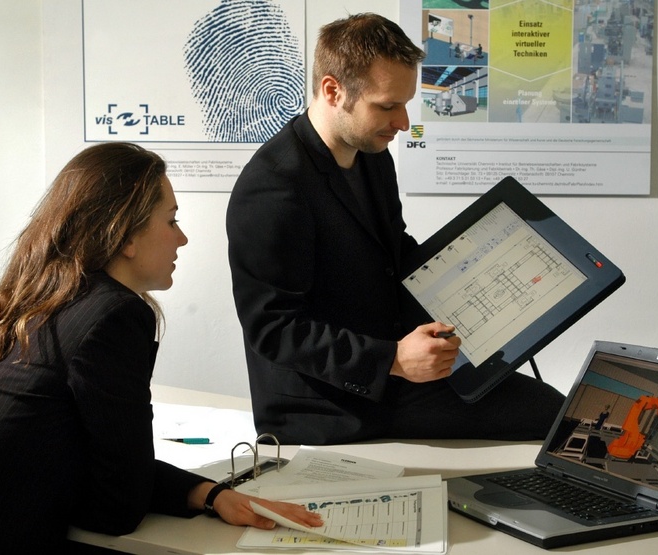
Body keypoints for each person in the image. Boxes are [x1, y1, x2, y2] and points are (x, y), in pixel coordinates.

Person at [226, 13, 565, 445]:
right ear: (333, 91)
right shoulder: (273, 189)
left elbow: (390, 252)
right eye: (387, 106)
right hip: (330, 403)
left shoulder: (370, 154)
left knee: (546, 405)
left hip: (390, 364)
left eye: (405, 104)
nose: (403, 123)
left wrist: (480, 278)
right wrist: (394, 359)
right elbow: (273, 329)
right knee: (547, 414)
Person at [0, 142, 322, 554]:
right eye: (171, 220)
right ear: (125, 235)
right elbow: (118, 508)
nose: (182, 237)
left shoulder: (44, 295)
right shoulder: (113, 316)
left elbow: (109, 468)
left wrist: (210, 494)